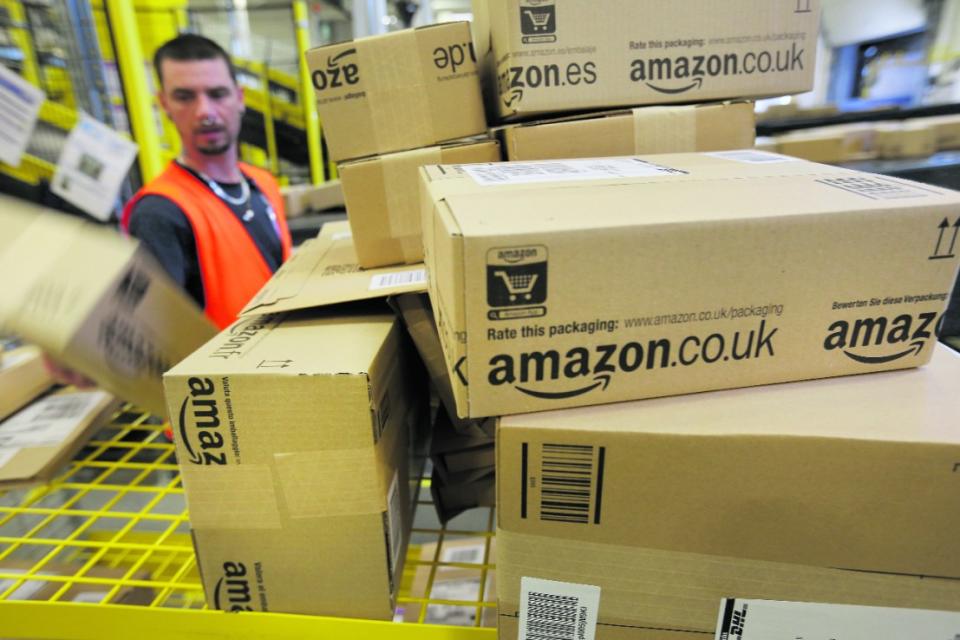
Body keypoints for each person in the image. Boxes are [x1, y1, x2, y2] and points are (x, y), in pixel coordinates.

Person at [121, 34, 292, 329]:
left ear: (239, 98)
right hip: (226, 373)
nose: (204, 112)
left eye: (217, 94)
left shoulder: (263, 184)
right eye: (185, 97)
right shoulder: (160, 212)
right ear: (165, 103)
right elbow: (147, 331)